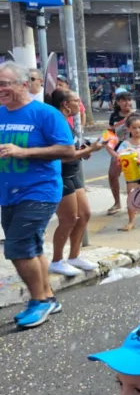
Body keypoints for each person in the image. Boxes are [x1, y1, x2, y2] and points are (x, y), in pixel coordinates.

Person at [0, 63, 74, 328]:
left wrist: (24, 153)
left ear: (23, 84)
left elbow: (68, 150)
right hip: (8, 193)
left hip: (39, 190)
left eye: (5, 83)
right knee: (31, 247)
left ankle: (39, 301)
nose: (1, 89)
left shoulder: (45, 114)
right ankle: (49, 298)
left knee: (18, 248)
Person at [46, 89, 103, 278]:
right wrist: (87, 151)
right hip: (61, 175)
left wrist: (85, 152)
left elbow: (72, 151)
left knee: (84, 214)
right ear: (65, 105)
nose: (80, 105)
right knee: (69, 218)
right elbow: (58, 156)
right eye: (76, 101)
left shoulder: (67, 123)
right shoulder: (55, 122)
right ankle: (56, 260)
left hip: (74, 171)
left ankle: (74, 256)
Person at [104, 91, 134, 215]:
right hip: (118, 150)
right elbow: (110, 132)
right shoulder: (114, 115)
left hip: (134, 149)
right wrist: (106, 141)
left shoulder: (137, 114)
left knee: (134, 178)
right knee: (112, 175)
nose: (127, 102)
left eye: (128, 100)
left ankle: (135, 203)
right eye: (123, 100)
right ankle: (117, 203)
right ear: (118, 102)